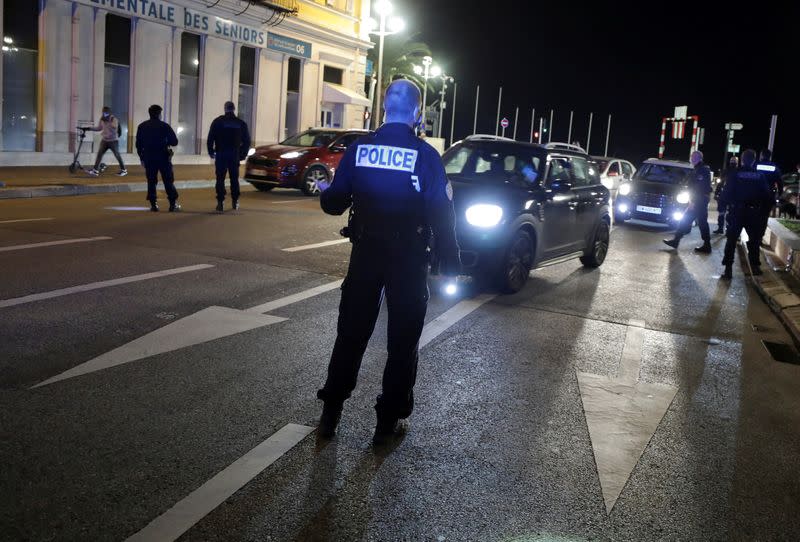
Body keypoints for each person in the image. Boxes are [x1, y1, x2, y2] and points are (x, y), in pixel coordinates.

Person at [315, 79, 461, 445]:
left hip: (365, 255)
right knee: (402, 340)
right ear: (416, 112)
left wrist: (325, 193)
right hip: (409, 259)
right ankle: (388, 420)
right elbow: (442, 212)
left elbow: (334, 203)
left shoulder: (360, 150)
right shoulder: (424, 155)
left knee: (351, 334)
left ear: (383, 108)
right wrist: (451, 259)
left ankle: (331, 412)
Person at [719, 149, 774, 278]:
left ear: (742, 160)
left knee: (731, 240)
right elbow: (768, 196)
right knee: (754, 241)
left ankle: (728, 269)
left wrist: (722, 208)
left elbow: (726, 192)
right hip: (753, 213)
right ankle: (755, 267)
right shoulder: (760, 176)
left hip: (737, 212)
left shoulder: (735, 174)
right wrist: (763, 212)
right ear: (754, 160)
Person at [663, 150, 713, 252]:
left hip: (699, 200)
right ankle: (677, 241)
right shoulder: (697, 169)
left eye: (694, 157)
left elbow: (700, 187)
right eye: (691, 156)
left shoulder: (702, 170)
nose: (692, 158)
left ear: (699, 158)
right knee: (689, 221)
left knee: (699, 222)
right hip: (698, 200)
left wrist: (693, 201)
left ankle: (706, 245)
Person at [207, 101, 251, 213]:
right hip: (234, 154)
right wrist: (242, 155)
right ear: (234, 109)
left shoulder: (217, 122)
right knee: (234, 179)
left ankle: (220, 202)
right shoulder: (240, 123)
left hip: (221, 154)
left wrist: (211, 152)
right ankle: (235, 201)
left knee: (220, 179)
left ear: (225, 109)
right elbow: (247, 141)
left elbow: (210, 138)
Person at [135, 105, 180, 212]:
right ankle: (172, 204)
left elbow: (138, 144)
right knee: (168, 180)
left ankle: (153, 204)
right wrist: (166, 142)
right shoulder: (164, 126)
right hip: (163, 157)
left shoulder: (142, 126)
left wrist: (141, 157)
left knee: (151, 181)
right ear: (159, 114)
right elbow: (174, 141)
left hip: (149, 157)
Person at [86, 106, 127, 177]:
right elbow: (99, 128)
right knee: (99, 154)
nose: (104, 113)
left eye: (106, 112)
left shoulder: (114, 119)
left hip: (113, 141)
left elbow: (115, 127)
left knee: (117, 155)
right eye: (103, 112)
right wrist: (89, 128)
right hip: (104, 140)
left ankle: (123, 170)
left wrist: (108, 121)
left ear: (109, 112)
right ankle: (95, 170)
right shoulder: (102, 119)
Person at [713, 156, 738, 234]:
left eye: (734, 161)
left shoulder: (739, 172)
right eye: (732, 160)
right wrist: (716, 193)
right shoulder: (726, 171)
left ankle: (728, 230)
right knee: (721, 213)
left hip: (733, 197)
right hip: (724, 195)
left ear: (737, 162)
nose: (733, 162)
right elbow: (720, 183)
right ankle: (720, 228)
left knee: (731, 215)